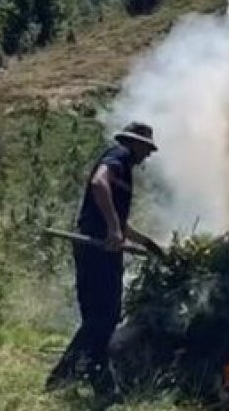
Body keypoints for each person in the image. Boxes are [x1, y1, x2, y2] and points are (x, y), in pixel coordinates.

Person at [46, 121, 165, 399]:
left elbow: (119, 221)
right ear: (134, 143)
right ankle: (61, 377)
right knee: (104, 316)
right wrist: (112, 229)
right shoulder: (119, 156)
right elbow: (99, 182)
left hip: (102, 247)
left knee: (100, 318)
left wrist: (145, 242)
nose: (147, 155)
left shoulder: (124, 169)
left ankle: (102, 385)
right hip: (98, 248)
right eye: (146, 148)